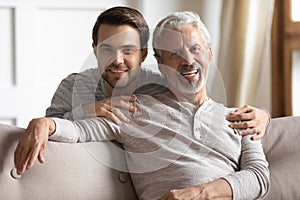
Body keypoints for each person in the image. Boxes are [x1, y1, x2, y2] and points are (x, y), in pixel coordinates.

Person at [14, 11, 270, 200]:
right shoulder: (132, 107)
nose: (188, 61)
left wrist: (265, 116)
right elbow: (77, 130)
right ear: (161, 62)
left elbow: (260, 176)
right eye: (175, 54)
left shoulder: (238, 118)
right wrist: (48, 122)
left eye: (195, 49)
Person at [45, 6, 270, 137]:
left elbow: (201, 110)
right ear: (94, 51)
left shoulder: (160, 85)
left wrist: (264, 117)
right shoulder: (73, 86)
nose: (117, 60)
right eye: (106, 49)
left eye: (128, 50)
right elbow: (51, 131)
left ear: (143, 54)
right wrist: (89, 110)